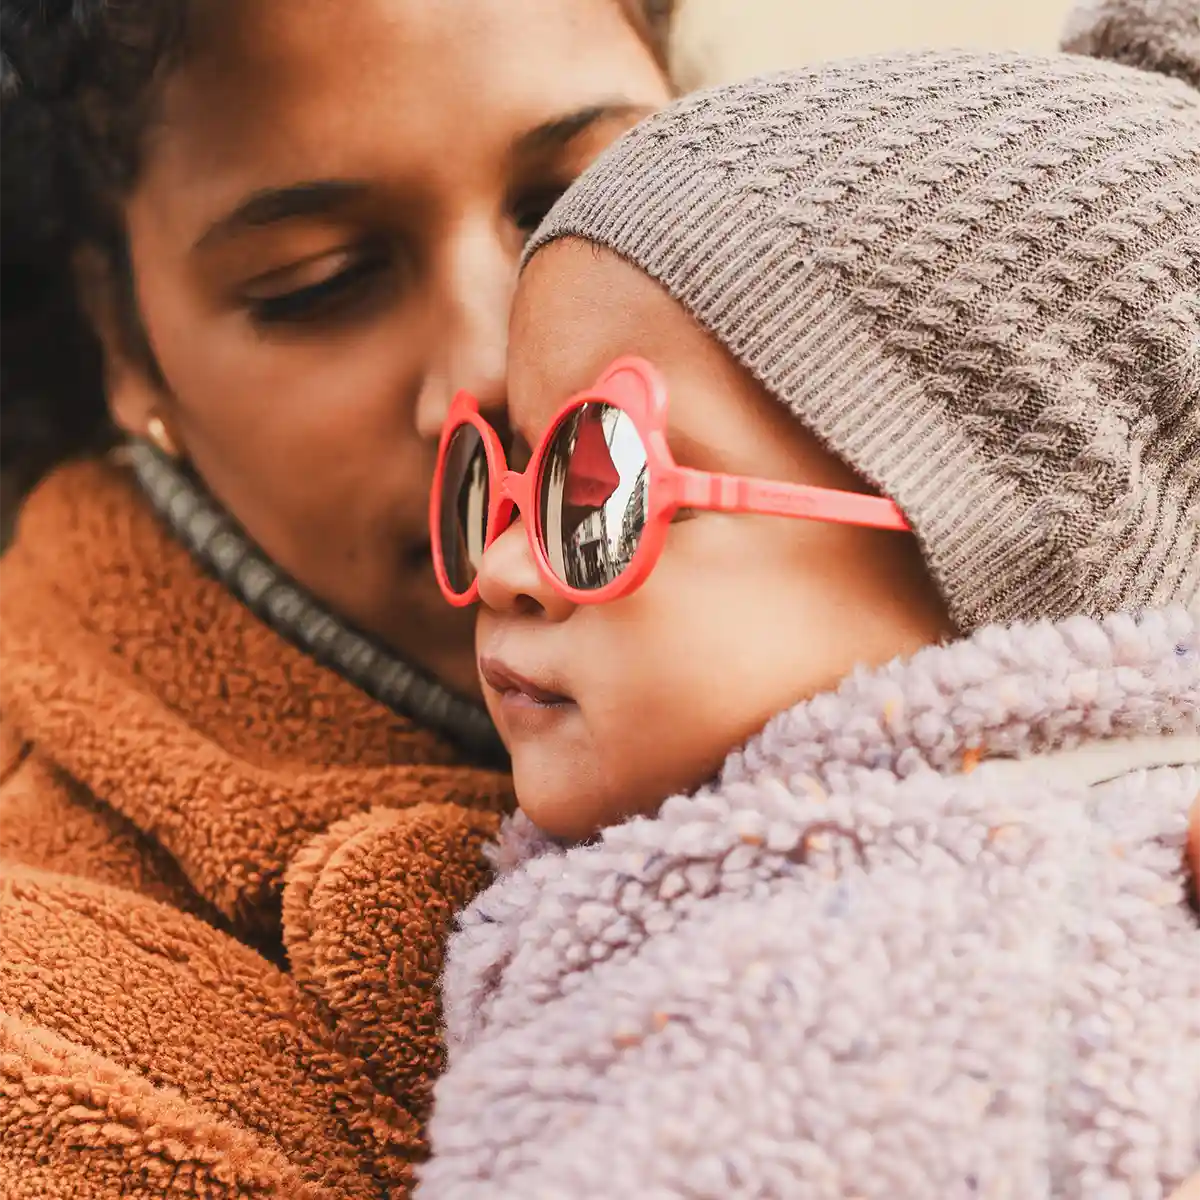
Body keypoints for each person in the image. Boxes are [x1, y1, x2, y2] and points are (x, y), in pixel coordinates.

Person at [417, 50, 1200, 1197]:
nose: (502, 564)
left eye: (605, 485)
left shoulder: (902, 1003)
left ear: (985, 549)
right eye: (514, 475)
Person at [0, 0, 675, 1195]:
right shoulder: (54, 1033)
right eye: (316, 284)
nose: (493, 364)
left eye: (581, 198)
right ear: (125, 340)